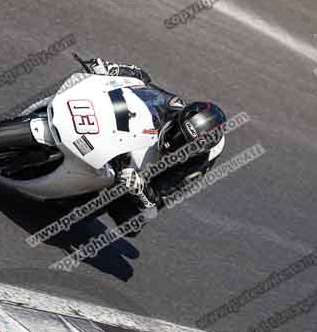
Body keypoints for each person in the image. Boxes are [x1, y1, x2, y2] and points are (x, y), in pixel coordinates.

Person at [76, 56, 227, 234]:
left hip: (156, 175)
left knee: (133, 223)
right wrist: (112, 70)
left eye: (184, 143)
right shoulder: (174, 106)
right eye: (178, 132)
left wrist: (140, 189)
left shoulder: (195, 164)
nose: (174, 142)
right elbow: (142, 81)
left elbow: (157, 201)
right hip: (147, 135)